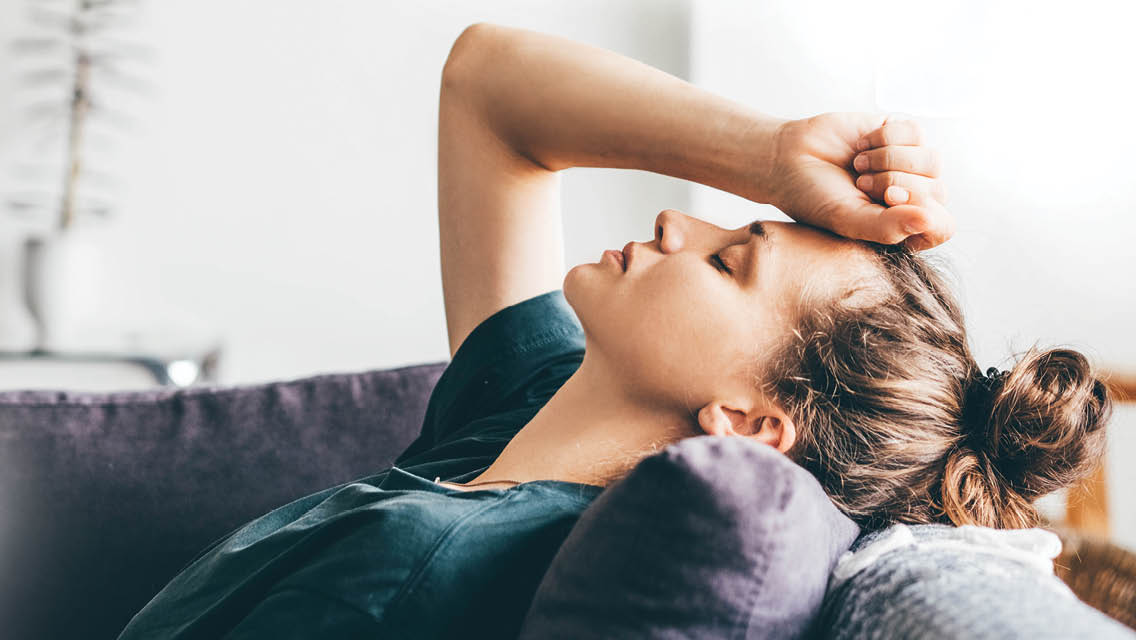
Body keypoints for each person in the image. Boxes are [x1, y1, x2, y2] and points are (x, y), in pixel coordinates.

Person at [117, 22, 1111, 639]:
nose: (679, 221)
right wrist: (772, 157)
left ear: (749, 421)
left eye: (729, 261)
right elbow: (487, 84)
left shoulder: (415, 566)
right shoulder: (526, 407)